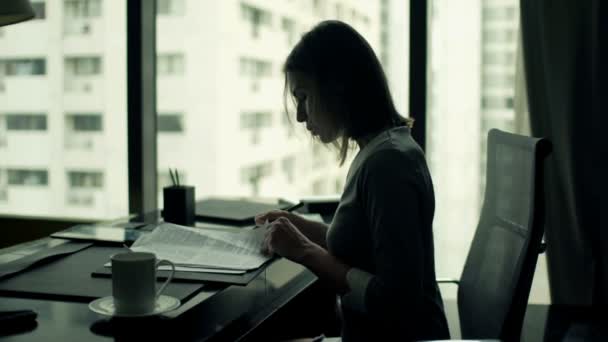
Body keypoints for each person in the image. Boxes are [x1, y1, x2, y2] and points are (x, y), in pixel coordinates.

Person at [255, 20, 450, 342]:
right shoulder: (380, 149)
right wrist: (297, 224)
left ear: (338, 87)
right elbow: (362, 247)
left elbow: (395, 303)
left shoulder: (388, 164)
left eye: (304, 97)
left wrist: (304, 250)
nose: (301, 116)